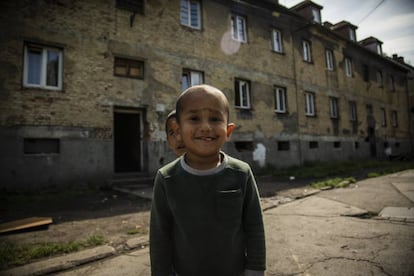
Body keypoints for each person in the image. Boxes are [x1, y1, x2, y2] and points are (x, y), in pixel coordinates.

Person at [150, 84, 266, 276]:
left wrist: (255, 269)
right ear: (177, 131)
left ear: (228, 131)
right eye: (194, 118)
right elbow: (159, 236)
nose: (205, 127)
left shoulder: (241, 173)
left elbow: (254, 226)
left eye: (214, 118)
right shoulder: (166, 178)